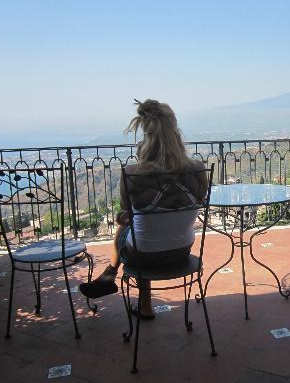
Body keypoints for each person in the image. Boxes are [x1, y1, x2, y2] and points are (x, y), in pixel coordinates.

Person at [80, 99, 207, 320]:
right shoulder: (197, 170)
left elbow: (124, 215)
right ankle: (113, 279)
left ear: (146, 137)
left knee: (133, 231)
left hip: (143, 256)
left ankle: (112, 275)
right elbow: (198, 200)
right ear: (176, 134)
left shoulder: (132, 174)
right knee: (144, 231)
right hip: (182, 250)